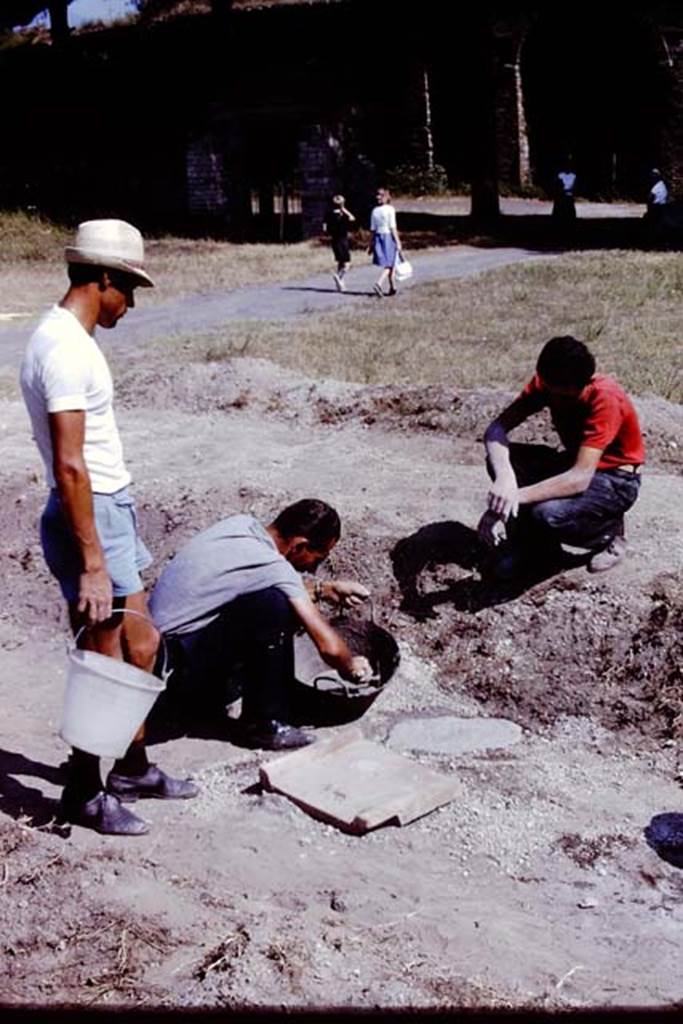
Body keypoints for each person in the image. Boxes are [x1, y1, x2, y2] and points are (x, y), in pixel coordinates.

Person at [20, 219, 197, 837]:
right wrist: (93, 560)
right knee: (105, 655)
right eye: (129, 288)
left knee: (141, 644)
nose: (132, 302)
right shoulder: (66, 350)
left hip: (107, 511)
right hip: (88, 517)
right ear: (102, 279)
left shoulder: (64, 338)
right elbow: (70, 464)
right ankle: (82, 792)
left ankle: (131, 765)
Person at [149, 499, 373, 750]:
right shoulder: (273, 566)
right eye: (317, 558)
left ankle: (218, 697)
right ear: (300, 545)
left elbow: (248, 583)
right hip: (170, 678)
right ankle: (263, 725)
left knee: (267, 600)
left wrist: (323, 589)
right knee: (274, 604)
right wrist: (350, 664)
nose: (314, 567)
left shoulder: (239, 526)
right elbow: (329, 648)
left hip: (154, 652)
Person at [478, 336, 644, 580]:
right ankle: (536, 550)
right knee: (505, 461)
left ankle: (609, 534)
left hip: (615, 479)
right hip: (575, 464)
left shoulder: (605, 398)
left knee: (547, 513)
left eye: (563, 394)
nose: (553, 397)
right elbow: (496, 431)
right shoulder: (548, 382)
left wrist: (509, 500)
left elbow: (579, 478)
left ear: (578, 385)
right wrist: (504, 479)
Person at [369, 187, 403, 297]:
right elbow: (392, 227)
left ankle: (393, 287)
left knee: (390, 263)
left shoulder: (375, 211)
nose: (378, 197)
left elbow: (373, 229)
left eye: (380, 195)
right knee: (390, 263)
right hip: (388, 236)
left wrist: (371, 244)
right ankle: (379, 283)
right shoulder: (390, 209)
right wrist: (398, 241)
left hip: (379, 237)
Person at [323, 194, 356, 292]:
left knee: (340, 262)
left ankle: (340, 283)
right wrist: (344, 209)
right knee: (347, 264)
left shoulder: (328, 214)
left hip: (334, 240)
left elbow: (325, 228)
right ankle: (338, 276)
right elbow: (352, 218)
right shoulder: (343, 216)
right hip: (343, 239)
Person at [552, 161, 577, 226]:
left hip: (569, 195)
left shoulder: (573, 176)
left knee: (570, 213)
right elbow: (556, 186)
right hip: (561, 196)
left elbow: (574, 186)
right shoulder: (560, 175)